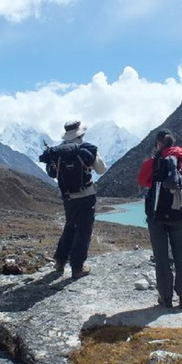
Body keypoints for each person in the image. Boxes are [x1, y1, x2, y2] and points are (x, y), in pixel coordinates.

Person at [41, 120, 107, 280]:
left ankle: (60, 261)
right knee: (84, 231)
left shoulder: (57, 152)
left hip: (68, 197)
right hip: (86, 195)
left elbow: (52, 173)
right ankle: (77, 267)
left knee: (70, 226)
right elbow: (101, 169)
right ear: (81, 133)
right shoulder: (85, 149)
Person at [137, 128, 182, 309]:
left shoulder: (152, 163)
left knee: (161, 258)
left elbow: (142, 181)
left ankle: (165, 298)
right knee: (181, 255)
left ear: (159, 143)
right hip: (178, 214)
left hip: (156, 216)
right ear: (173, 142)